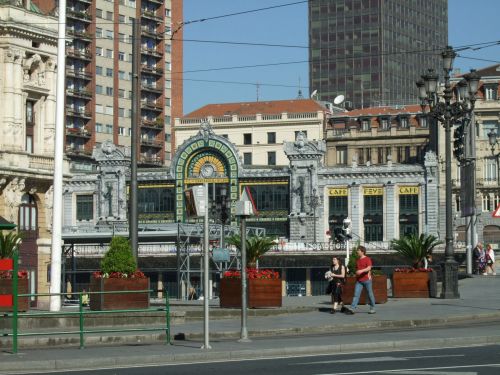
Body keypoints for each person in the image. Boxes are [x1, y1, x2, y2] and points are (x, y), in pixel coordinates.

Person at [345, 246, 376, 315]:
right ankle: (352, 309)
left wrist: (361, 271)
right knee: (356, 295)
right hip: (359, 281)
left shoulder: (367, 259)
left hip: (367, 280)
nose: (357, 252)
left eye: (358, 250)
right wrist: (356, 272)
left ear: (362, 251)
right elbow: (357, 269)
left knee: (370, 294)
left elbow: (369, 268)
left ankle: (372, 308)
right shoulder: (358, 260)